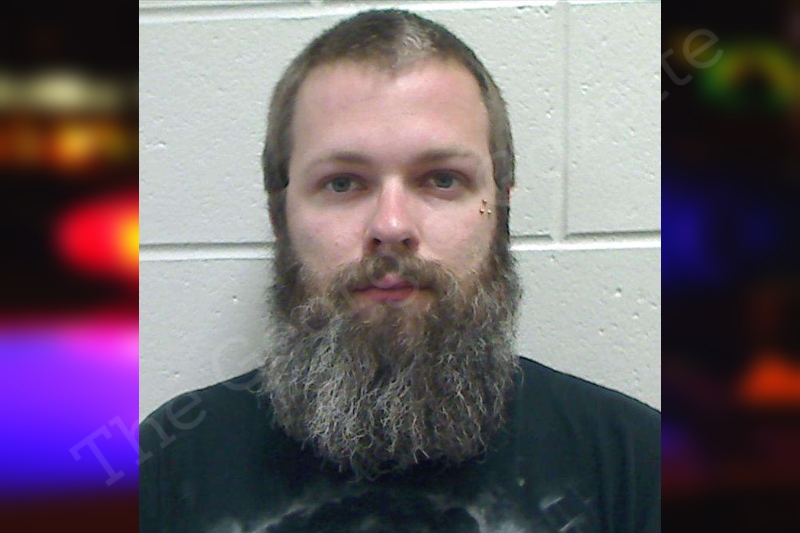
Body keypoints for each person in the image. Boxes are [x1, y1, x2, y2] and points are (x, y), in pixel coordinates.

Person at [139, 9, 660, 533]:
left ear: (500, 210)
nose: (391, 226)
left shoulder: (636, 465)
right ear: (280, 216)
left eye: (442, 179)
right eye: (342, 183)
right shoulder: (166, 468)